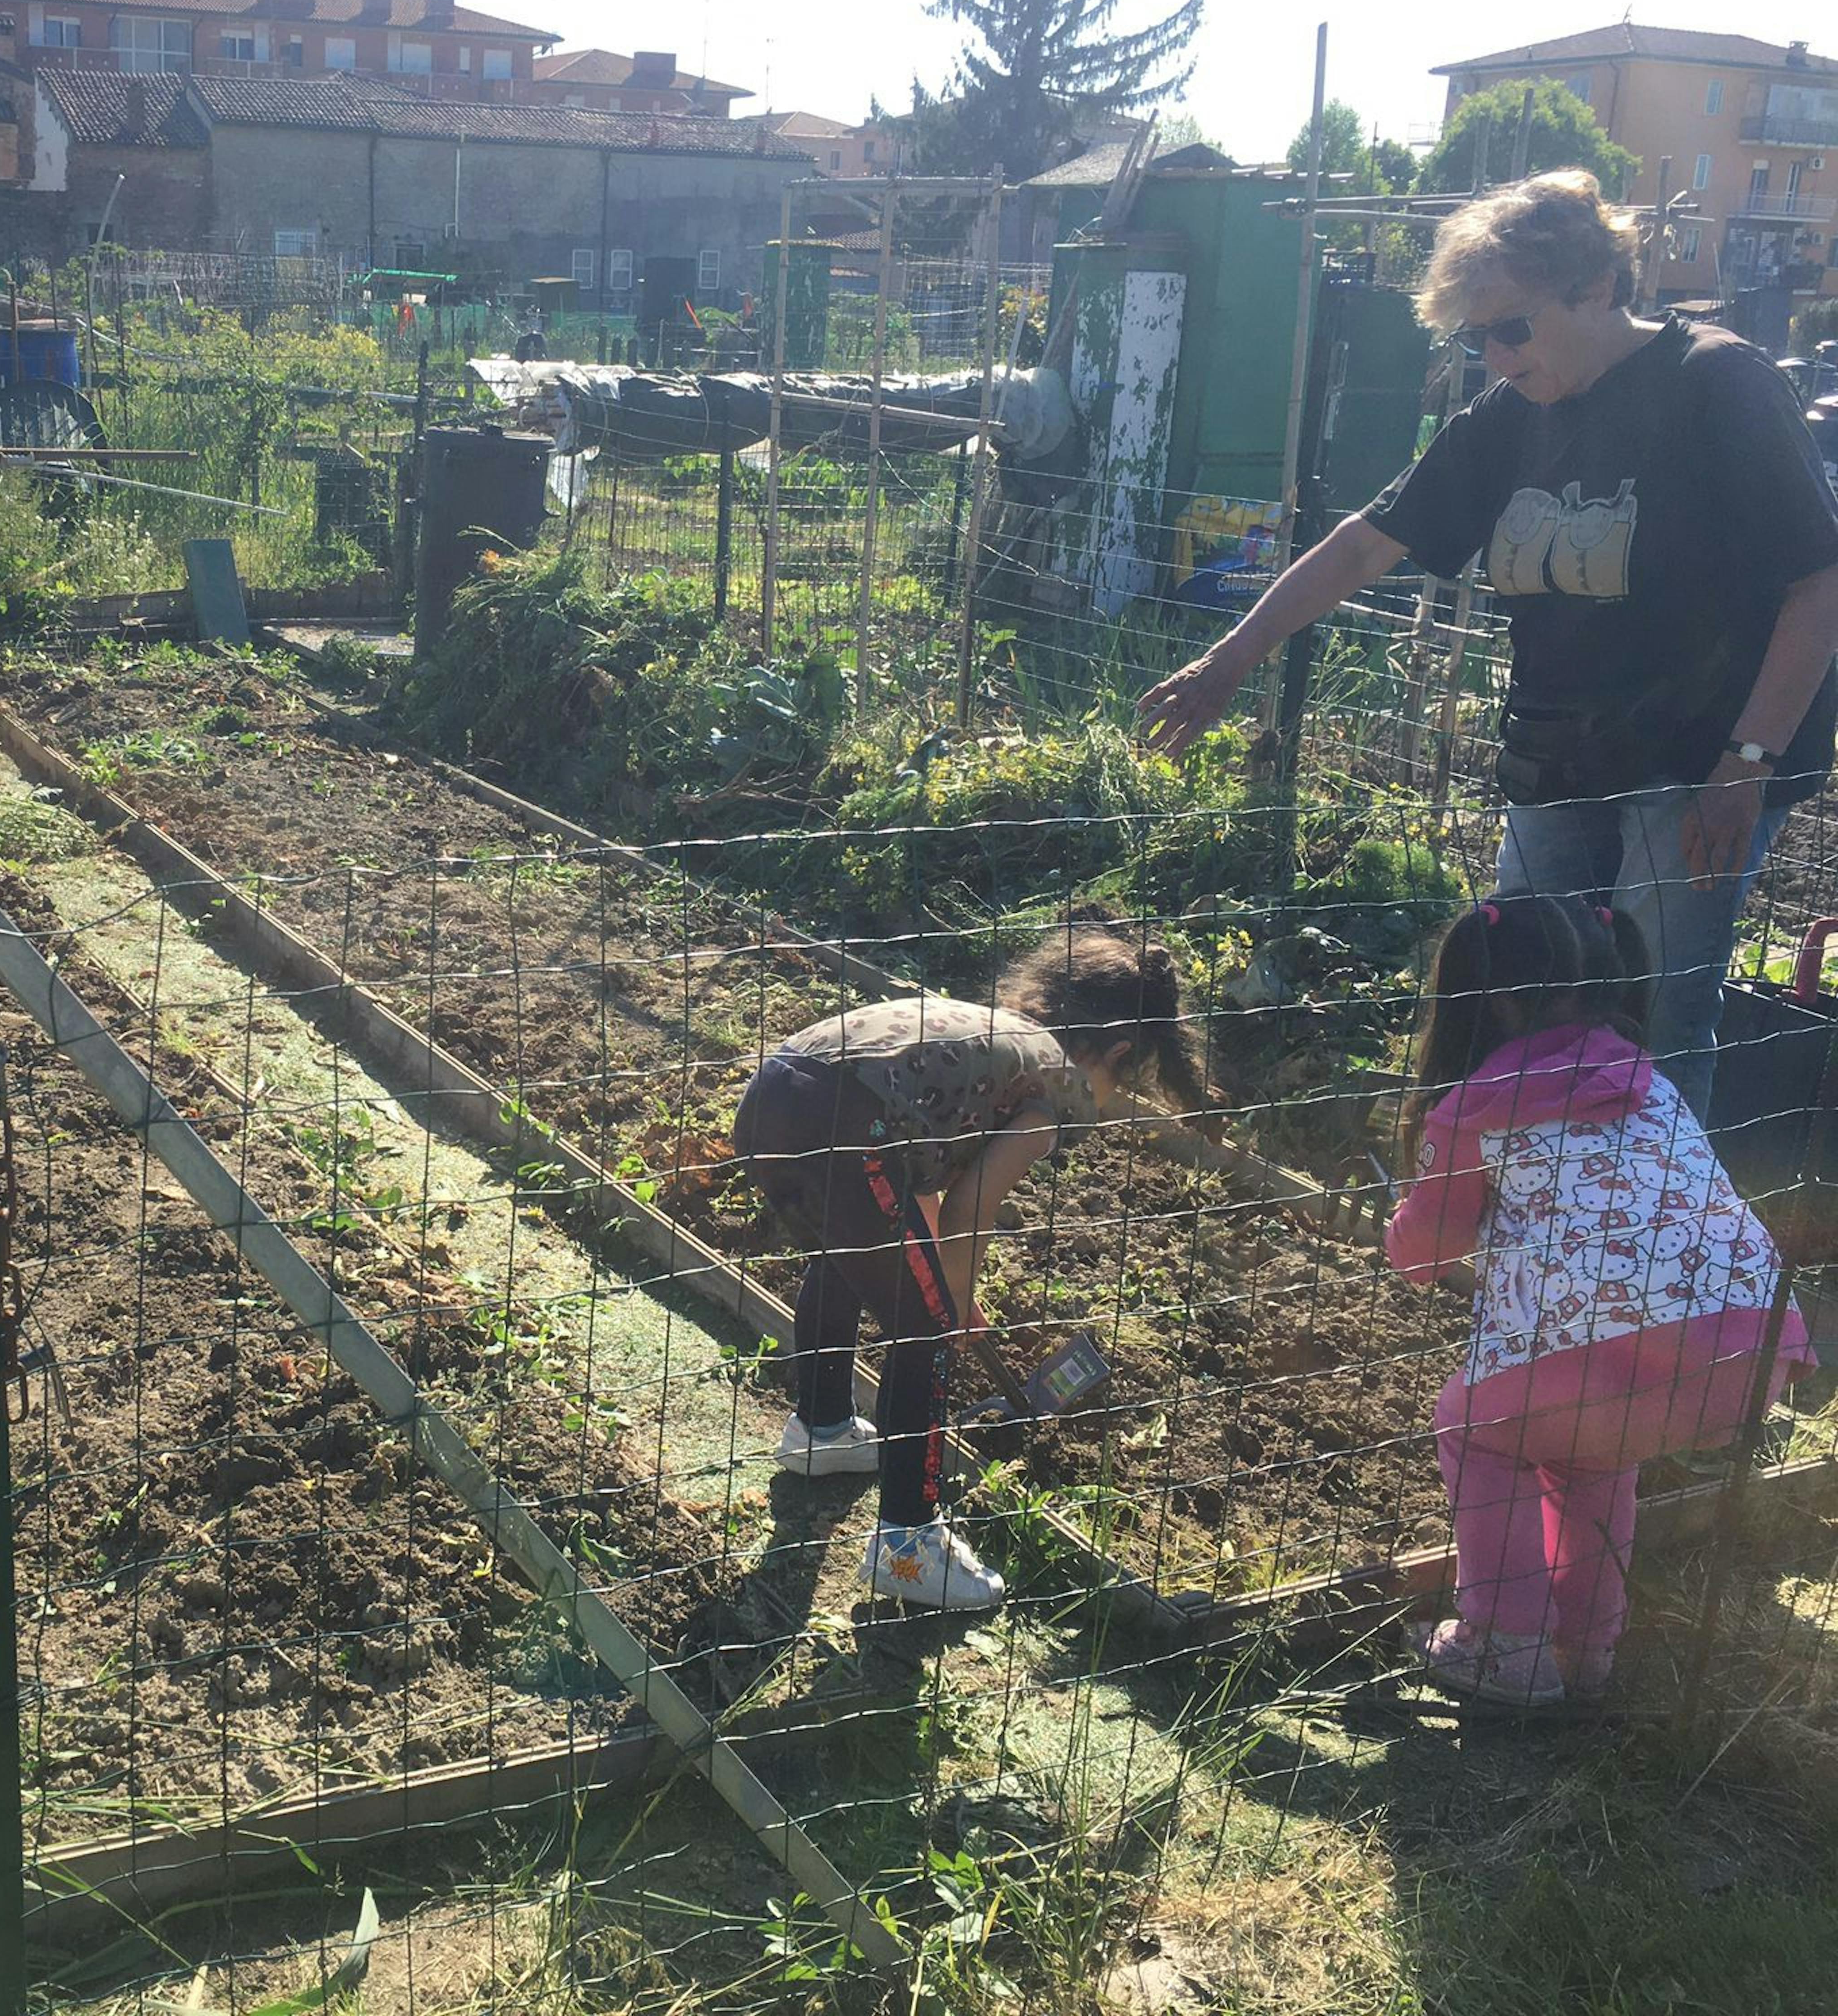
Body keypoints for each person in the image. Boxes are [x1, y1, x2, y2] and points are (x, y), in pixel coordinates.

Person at [1139, 170, 1838, 1119]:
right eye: (1475, 337)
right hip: (1561, 752)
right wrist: (1228, 661)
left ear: (1595, 289)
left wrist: (1747, 762)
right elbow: (1366, 542)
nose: (1495, 355)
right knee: (1515, 993)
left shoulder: (1716, 384)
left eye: (1511, 327)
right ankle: (1529, 1218)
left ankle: (1649, 1247)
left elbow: (1820, 579)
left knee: (1656, 1016)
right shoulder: (1514, 418)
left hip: (1701, 758)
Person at [1383, 896, 1814, 1706]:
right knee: (1588, 1455)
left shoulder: (1472, 1108)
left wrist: (1395, 1235)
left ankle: (1501, 1650)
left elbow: (1429, 1248)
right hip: (1754, 1345)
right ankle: (1583, 1654)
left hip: (1621, 1357)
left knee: (1470, 1425)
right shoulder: (1644, 1078)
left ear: (1484, 1002)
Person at [731, 926, 1206, 1610]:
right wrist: (946, 1304)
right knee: (922, 1333)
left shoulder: (988, 1036)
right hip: (843, 1130)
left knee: (845, 1262)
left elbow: (918, 1188)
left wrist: (946, 1282)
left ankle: (823, 1430)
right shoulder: (1055, 1089)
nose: (1105, 1100)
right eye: (1120, 1084)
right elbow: (968, 1208)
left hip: (779, 1099)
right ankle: (909, 1546)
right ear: (1119, 1054)